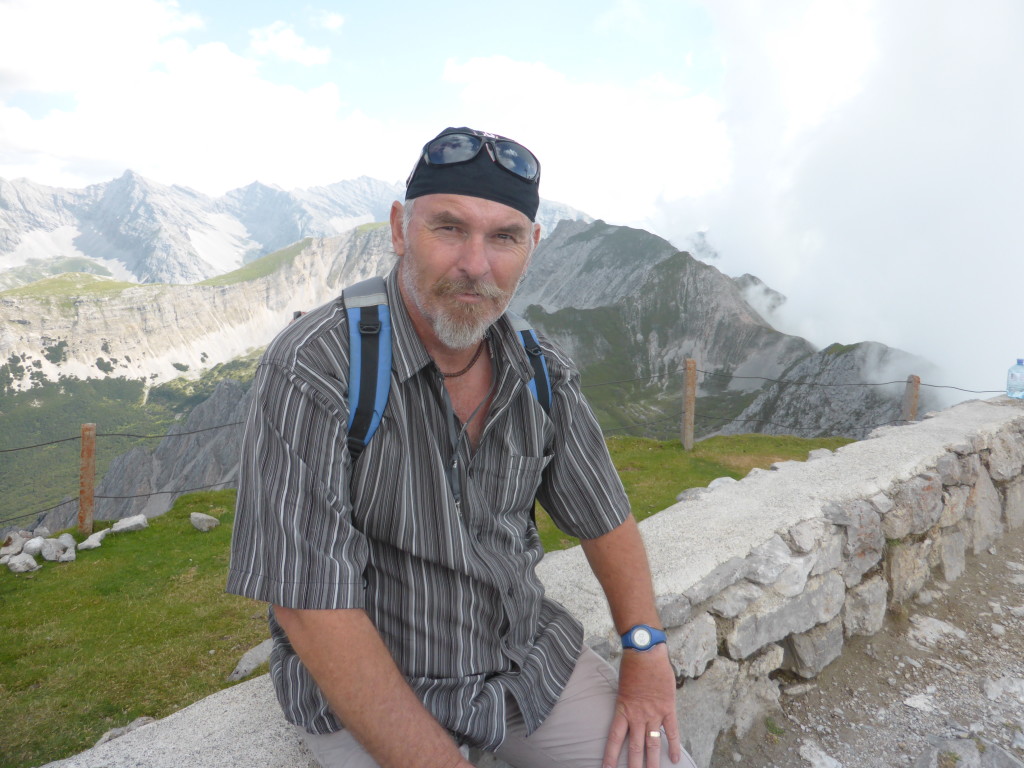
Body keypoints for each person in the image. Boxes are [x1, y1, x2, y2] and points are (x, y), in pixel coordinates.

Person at [227, 126, 696, 768]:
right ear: (399, 229)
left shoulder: (540, 370)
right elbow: (309, 605)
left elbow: (604, 515)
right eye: (449, 228)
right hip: (376, 687)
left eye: (503, 237)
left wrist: (645, 649)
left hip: (522, 667)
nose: (476, 264)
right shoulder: (316, 368)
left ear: (532, 247)